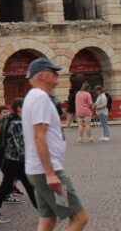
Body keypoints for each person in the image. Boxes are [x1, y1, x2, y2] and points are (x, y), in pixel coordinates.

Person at [23, 58, 89, 231]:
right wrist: (50, 174)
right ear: (44, 75)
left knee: (48, 220)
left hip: (38, 171)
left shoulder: (32, 96)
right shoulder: (40, 98)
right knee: (79, 218)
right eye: (54, 72)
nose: (57, 75)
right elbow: (39, 136)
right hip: (47, 172)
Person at [0, 98, 37, 224]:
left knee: (22, 185)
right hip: (14, 160)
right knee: (14, 185)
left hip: (14, 160)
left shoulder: (18, 121)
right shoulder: (16, 123)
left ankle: (43, 211)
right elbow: (19, 144)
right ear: (20, 109)